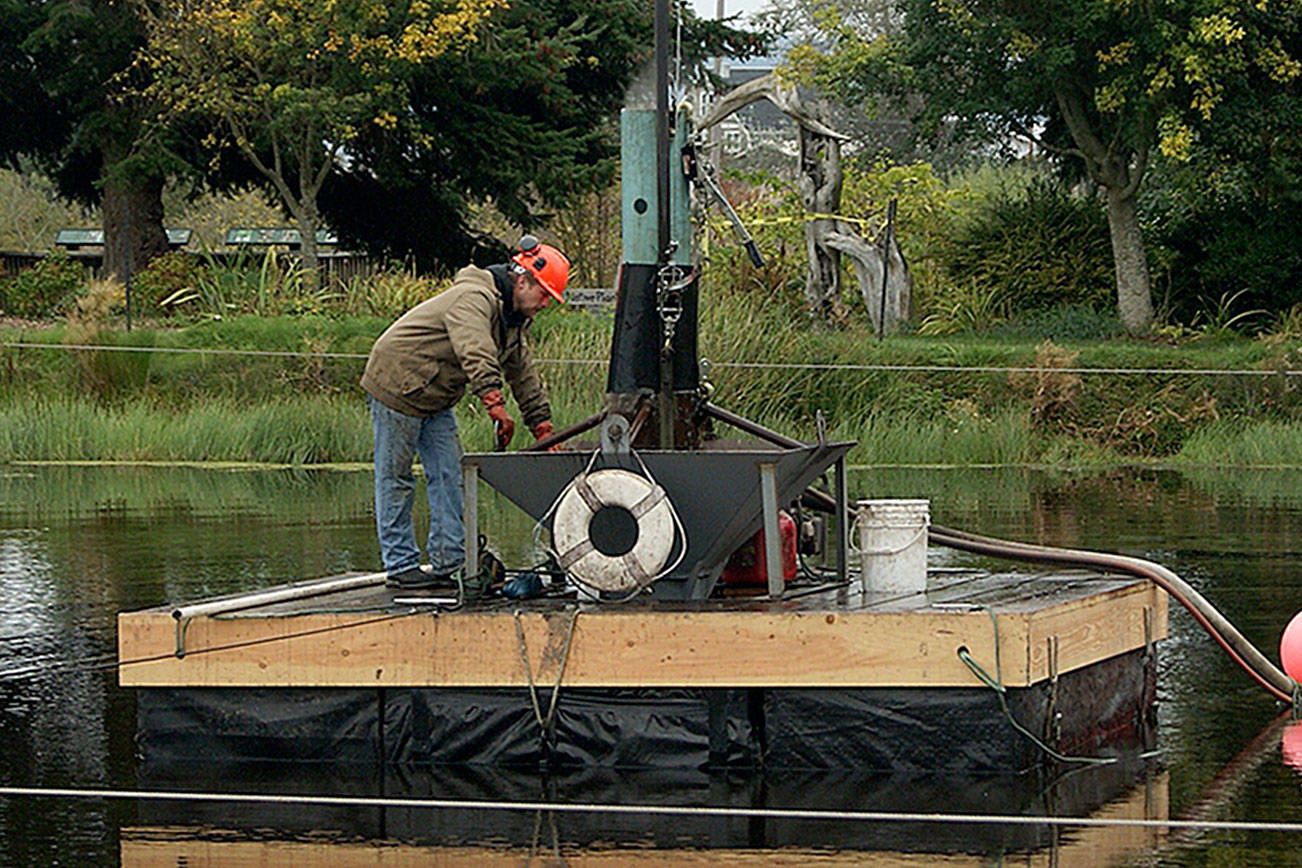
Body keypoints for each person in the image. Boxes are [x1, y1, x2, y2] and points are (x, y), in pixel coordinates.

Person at [360, 236, 569, 589]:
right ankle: (400, 566)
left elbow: (524, 375)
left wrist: (544, 431)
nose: (545, 303)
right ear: (522, 281)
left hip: (436, 395)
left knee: (450, 475)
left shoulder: (512, 320)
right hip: (397, 383)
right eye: (545, 294)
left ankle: (450, 563)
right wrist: (494, 406)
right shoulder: (473, 298)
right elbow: (475, 349)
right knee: (395, 478)